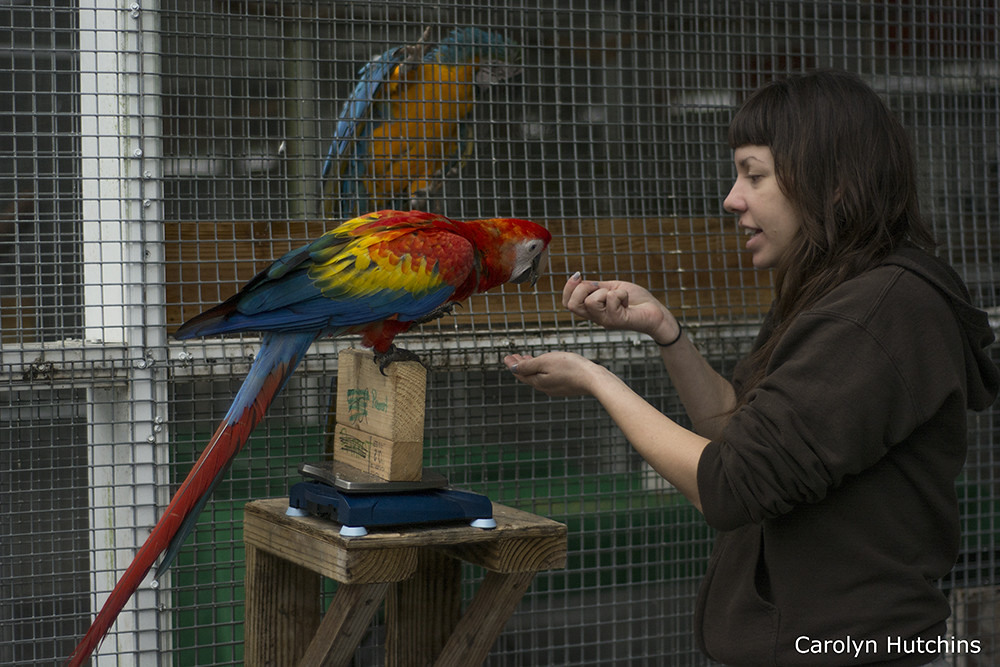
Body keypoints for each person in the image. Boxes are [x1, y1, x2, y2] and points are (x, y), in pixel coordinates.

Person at [504, 69, 999, 666]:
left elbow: (733, 486)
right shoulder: (832, 290)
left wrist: (596, 379)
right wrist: (668, 333)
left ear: (834, 185)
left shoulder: (877, 312)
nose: (731, 197)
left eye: (754, 174)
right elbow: (740, 431)